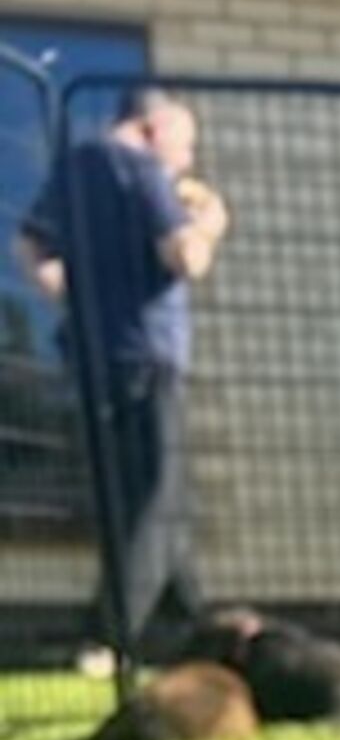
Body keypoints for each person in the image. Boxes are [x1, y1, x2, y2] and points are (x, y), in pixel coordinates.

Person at [15, 87, 228, 675]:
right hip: (146, 353)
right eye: (185, 145)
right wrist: (208, 222)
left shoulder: (77, 167)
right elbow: (184, 257)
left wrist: (68, 295)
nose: (185, 161)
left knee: (141, 494)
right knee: (158, 494)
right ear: (154, 128)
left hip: (91, 356)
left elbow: (31, 241)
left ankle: (190, 627)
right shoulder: (142, 167)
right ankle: (110, 636)